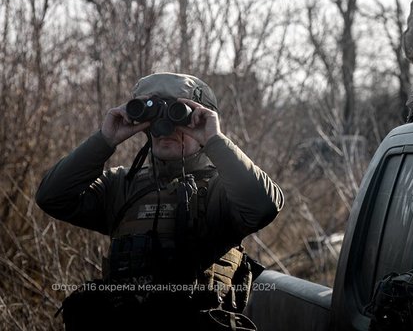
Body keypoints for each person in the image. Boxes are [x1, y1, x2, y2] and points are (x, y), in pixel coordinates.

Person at [36, 72, 284, 330]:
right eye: (154, 116)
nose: (166, 129)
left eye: (179, 115)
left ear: (202, 119)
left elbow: (265, 205)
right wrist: (105, 139)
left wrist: (214, 141)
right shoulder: (121, 185)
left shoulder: (220, 190)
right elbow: (52, 197)